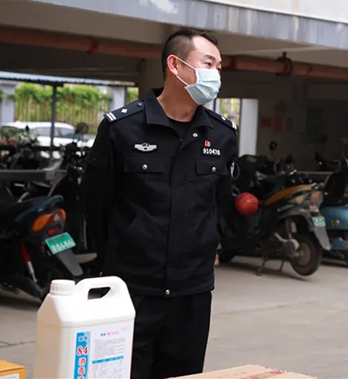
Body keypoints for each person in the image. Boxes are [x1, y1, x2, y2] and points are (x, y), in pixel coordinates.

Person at [82, 28, 238, 379]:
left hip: (192, 293)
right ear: (175, 65)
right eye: (208, 64)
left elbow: (219, 204)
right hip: (130, 290)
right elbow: (96, 205)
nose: (216, 74)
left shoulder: (222, 134)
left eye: (219, 67)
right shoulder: (122, 128)